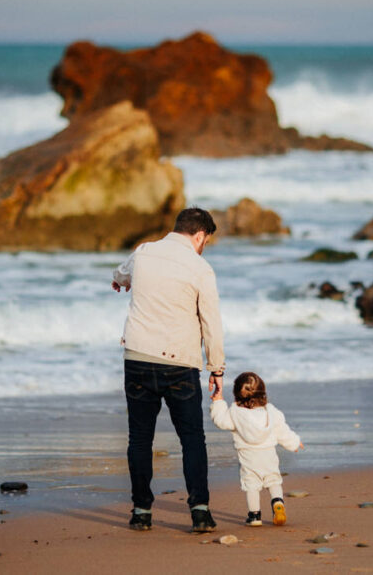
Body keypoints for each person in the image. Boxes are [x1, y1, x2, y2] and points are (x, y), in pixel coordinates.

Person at [111, 207, 225, 533]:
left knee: (140, 439)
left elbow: (120, 273)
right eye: (205, 241)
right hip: (180, 363)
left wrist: (121, 282)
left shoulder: (144, 252)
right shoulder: (201, 268)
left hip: (138, 357)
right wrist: (216, 369)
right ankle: (200, 510)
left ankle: (141, 511)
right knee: (191, 439)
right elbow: (212, 325)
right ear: (200, 235)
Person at [209, 371, 302, 527]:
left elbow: (221, 421)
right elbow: (282, 431)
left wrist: (218, 402)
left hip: (248, 457)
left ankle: (255, 516)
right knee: (273, 480)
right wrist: (294, 443)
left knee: (251, 485)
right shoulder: (271, 412)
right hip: (268, 455)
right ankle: (278, 503)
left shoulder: (234, 413)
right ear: (262, 392)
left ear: (236, 394)